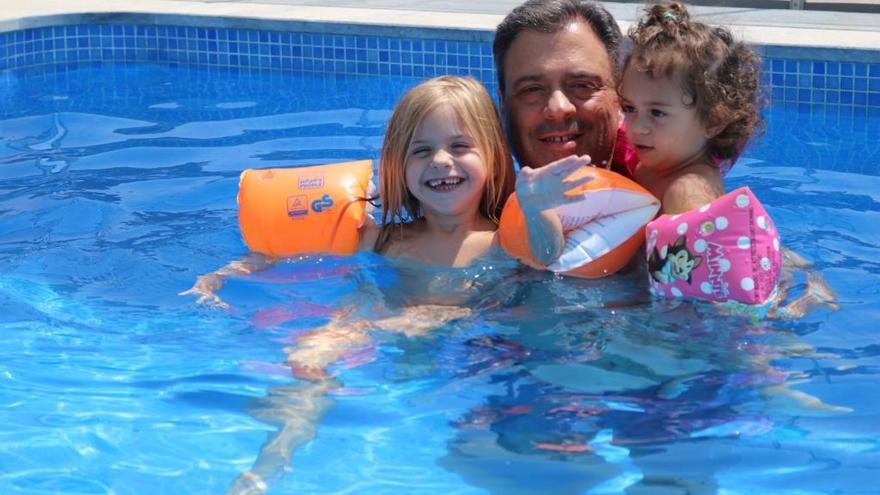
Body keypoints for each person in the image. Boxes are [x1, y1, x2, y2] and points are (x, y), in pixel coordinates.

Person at [181, 75, 518, 494]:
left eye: (460, 146)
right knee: (308, 359)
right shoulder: (386, 238)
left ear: (494, 156)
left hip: (468, 336)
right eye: (421, 151)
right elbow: (283, 249)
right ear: (398, 165)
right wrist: (222, 275)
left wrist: (435, 317)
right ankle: (273, 457)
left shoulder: (504, 241)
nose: (441, 161)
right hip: (374, 318)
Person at [492, 0, 634, 265]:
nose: (558, 108)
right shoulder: (470, 202)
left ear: (621, 97)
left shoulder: (665, 191)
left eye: (581, 85)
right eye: (532, 89)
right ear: (502, 106)